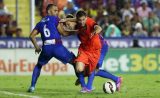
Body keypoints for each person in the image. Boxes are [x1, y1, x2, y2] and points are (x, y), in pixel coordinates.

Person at [61, 10, 122, 93]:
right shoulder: (76, 28)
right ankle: (87, 84)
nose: (68, 26)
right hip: (87, 49)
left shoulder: (87, 22)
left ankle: (89, 87)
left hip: (100, 47)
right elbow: (65, 33)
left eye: (68, 24)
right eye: (66, 25)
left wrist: (94, 31)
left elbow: (98, 27)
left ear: (73, 21)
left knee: (94, 69)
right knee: (81, 68)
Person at [28, 4, 76, 93]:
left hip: (46, 48)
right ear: (49, 11)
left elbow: (31, 36)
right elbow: (64, 33)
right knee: (75, 62)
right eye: (55, 10)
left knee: (38, 65)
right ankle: (84, 85)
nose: (57, 12)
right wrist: (76, 32)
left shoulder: (40, 23)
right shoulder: (55, 19)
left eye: (57, 10)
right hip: (57, 46)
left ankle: (32, 86)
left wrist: (37, 47)